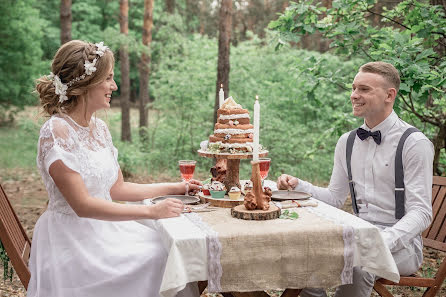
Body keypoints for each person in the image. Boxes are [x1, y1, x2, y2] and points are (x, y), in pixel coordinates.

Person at [29, 40, 202, 297]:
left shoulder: (99, 129)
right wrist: (152, 211)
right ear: (84, 83)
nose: (115, 86)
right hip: (72, 240)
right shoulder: (56, 131)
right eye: (108, 78)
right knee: (159, 257)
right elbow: (83, 205)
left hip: (104, 230)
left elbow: (118, 188)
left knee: (170, 248)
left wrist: (177, 187)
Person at [277, 62, 433, 297]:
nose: (354, 95)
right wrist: (298, 186)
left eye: (364, 89)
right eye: (353, 88)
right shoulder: (347, 142)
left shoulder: (414, 143)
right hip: (356, 236)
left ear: (390, 95)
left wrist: (381, 240)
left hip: (403, 245)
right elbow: (334, 198)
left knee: (359, 264)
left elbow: (421, 212)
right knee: (305, 254)